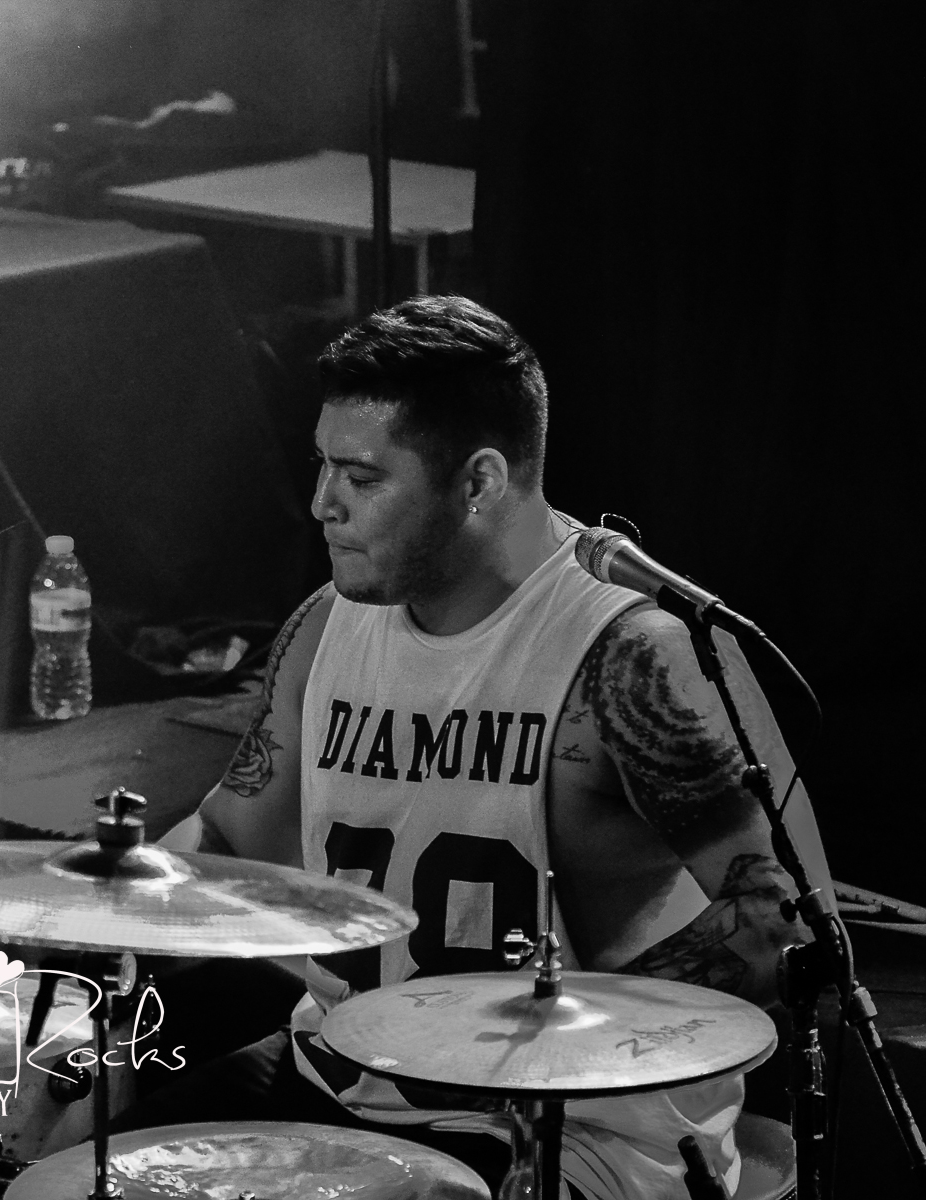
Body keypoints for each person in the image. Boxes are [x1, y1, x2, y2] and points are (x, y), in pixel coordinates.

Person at [135, 295, 833, 1199]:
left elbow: (787, 923)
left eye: (361, 477)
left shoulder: (630, 658)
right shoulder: (326, 625)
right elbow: (231, 839)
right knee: (86, 1168)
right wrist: (91, 931)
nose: (321, 505)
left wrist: (545, 1031)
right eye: (322, 465)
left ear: (479, 482)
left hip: (565, 1132)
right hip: (338, 1080)